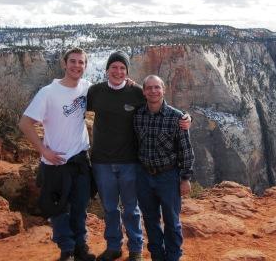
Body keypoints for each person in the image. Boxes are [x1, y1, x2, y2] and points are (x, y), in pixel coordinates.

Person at [87, 52, 191, 261]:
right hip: (105, 162)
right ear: (107, 70)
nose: (117, 71)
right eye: (114, 67)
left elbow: (184, 146)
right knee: (112, 209)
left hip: (136, 165)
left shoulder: (140, 95)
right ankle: (116, 247)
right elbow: (76, 111)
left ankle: (140, 250)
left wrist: (187, 118)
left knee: (135, 210)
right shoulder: (95, 92)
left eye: (122, 68)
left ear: (127, 72)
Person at [18, 47, 95, 261]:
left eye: (81, 62)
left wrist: (132, 85)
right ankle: (67, 250)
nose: (77, 66)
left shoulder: (87, 88)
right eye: (73, 61)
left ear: (85, 66)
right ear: (64, 63)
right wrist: (43, 150)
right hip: (55, 163)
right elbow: (25, 123)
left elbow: (114, 91)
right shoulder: (48, 92)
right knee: (58, 209)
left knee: (80, 207)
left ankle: (80, 247)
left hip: (80, 159)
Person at [134, 75, 195, 261]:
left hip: (168, 176)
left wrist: (185, 179)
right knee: (150, 220)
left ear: (164, 90)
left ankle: (174, 256)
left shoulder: (177, 117)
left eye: (157, 88)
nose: (153, 91)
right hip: (144, 176)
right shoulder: (137, 116)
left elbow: (186, 150)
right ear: (143, 92)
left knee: (172, 221)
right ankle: (157, 256)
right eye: (149, 88)